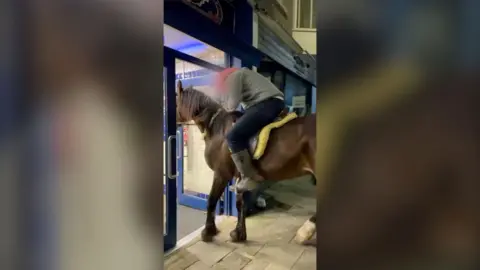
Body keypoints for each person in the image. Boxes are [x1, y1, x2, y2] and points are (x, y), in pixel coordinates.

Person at [215, 67, 285, 192]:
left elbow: (231, 106)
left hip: (265, 104)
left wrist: (221, 105)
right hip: (272, 103)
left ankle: (249, 177)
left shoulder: (234, 77)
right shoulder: (245, 73)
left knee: (233, 136)